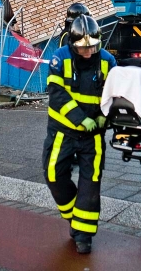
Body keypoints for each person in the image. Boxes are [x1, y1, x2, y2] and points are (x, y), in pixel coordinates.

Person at [42, 14, 116, 254]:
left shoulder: (108, 61)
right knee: (53, 175)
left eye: (93, 47)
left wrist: (107, 113)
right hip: (63, 131)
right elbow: (57, 95)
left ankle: (83, 234)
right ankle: (75, 217)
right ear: (72, 44)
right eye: (83, 48)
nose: (88, 53)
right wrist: (79, 118)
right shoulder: (59, 59)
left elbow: (114, 92)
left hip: (92, 135)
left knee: (90, 184)